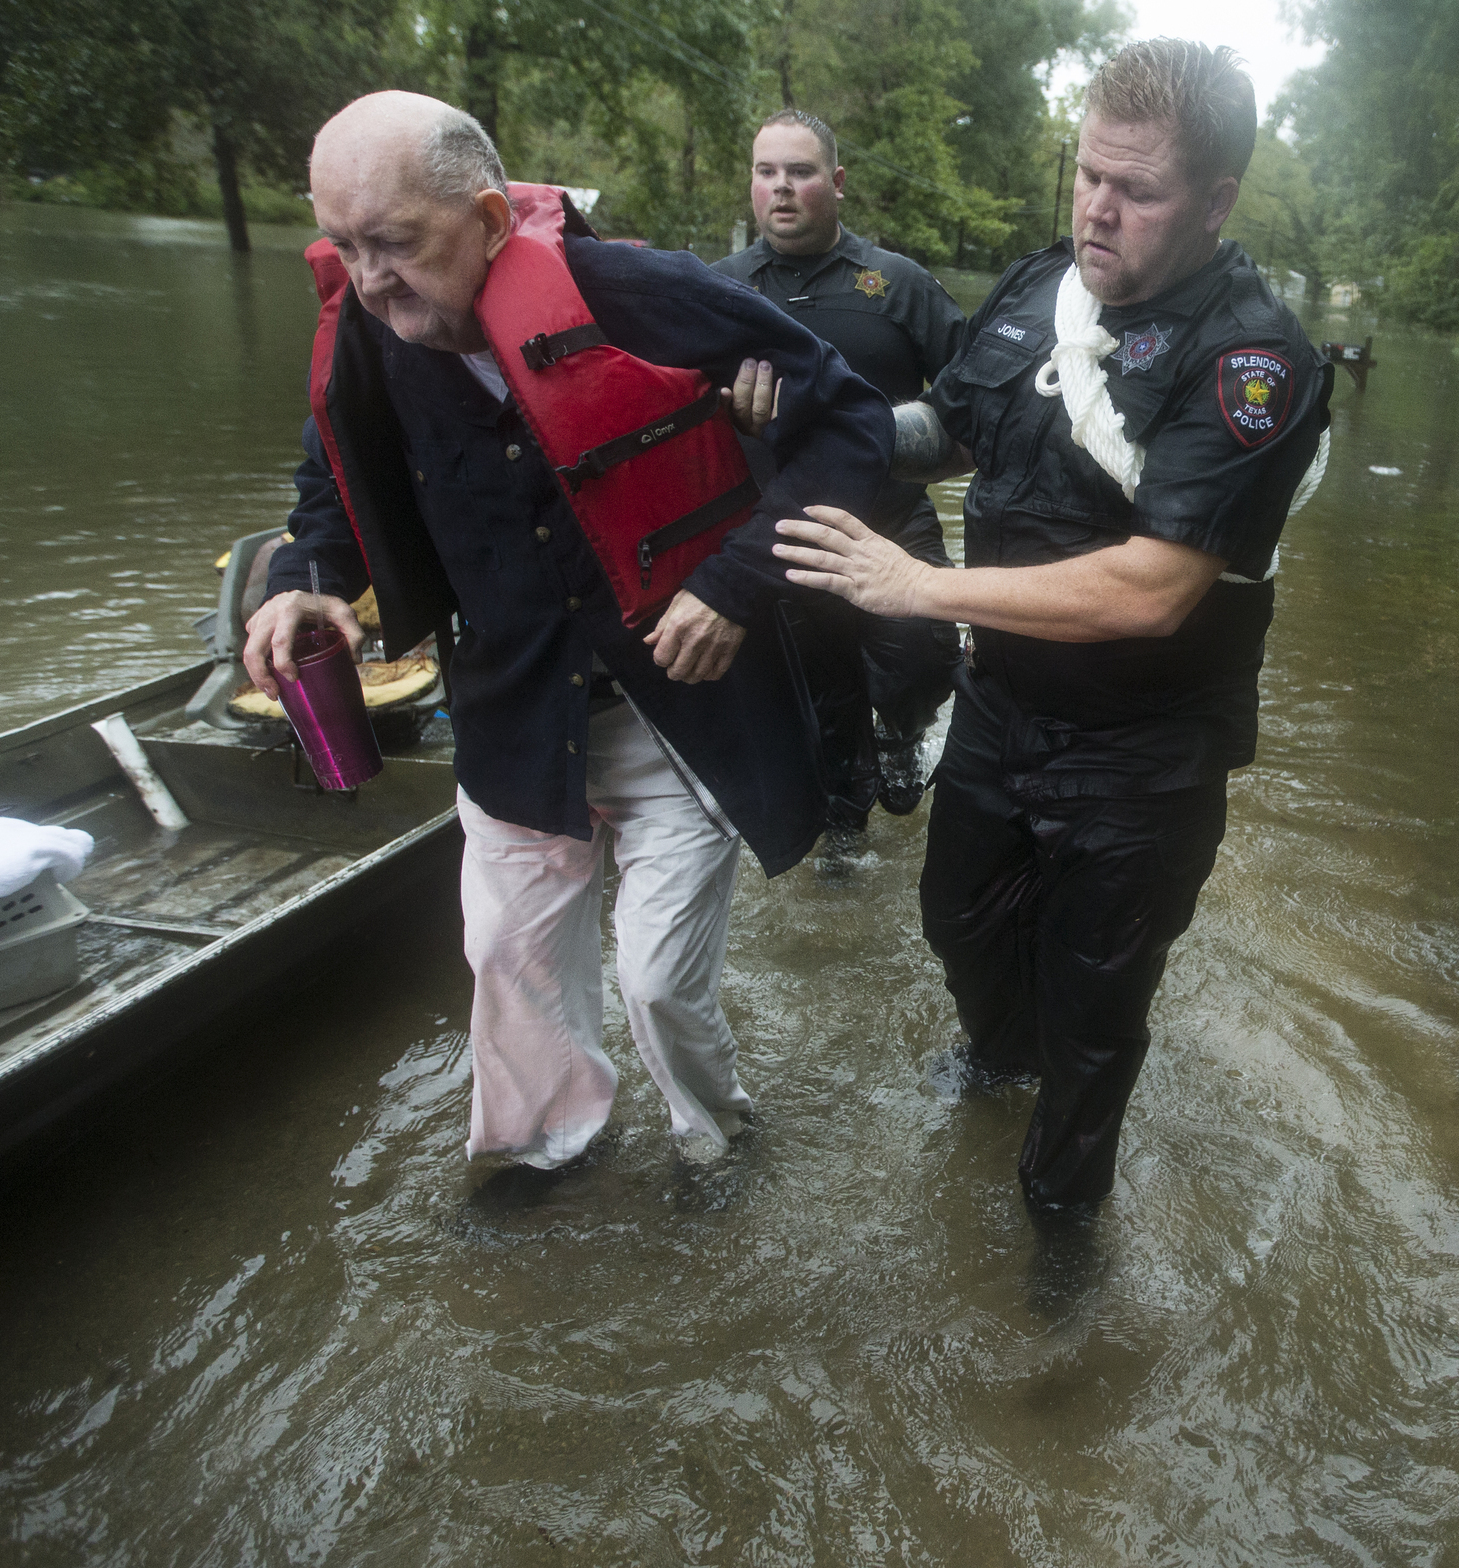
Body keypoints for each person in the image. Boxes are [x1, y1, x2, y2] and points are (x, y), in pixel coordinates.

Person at [243, 92, 891, 1169]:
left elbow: (855, 423)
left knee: (656, 981)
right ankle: (548, 1151)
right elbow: (332, 486)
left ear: (492, 222)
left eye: (396, 243)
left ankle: (715, 1140)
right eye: (344, 244)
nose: (368, 278)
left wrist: (735, 583)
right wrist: (305, 579)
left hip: (677, 710)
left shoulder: (638, 291)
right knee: (505, 953)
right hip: (510, 708)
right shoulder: (366, 334)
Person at [773, 41, 1333, 1209]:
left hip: (1144, 754)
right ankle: (997, 1062)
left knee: (1093, 1016)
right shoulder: (1043, 288)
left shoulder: (1254, 360)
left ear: (1217, 201)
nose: (1099, 209)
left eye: (1138, 190)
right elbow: (963, 423)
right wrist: (840, 423)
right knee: (955, 918)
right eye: (1087, 175)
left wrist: (915, 586)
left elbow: (1152, 588)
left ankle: (1061, 1253)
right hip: (1004, 709)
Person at [713, 110, 967, 846]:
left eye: (801, 172)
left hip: (890, 517)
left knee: (925, 657)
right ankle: (840, 843)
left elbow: (973, 399)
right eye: (767, 173)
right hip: (779, 531)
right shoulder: (718, 288)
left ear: (838, 182)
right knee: (819, 703)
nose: (782, 189)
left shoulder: (897, 283)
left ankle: (901, 730)